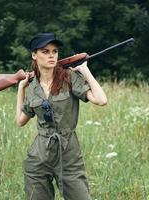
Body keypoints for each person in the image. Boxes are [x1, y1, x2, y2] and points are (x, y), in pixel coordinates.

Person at [15, 33, 107, 200]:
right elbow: (20, 121)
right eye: (45, 51)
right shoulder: (32, 86)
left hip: (68, 151)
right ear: (34, 55)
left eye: (55, 51)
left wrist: (85, 70)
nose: (51, 55)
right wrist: (21, 89)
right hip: (39, 155)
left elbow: (101, 100)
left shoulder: (69, 77)